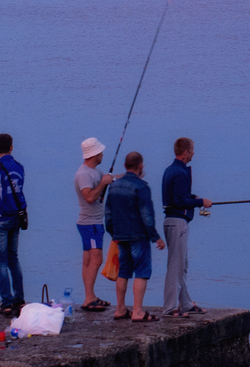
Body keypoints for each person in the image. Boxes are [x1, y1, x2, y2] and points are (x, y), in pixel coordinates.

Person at [104, 150, 165, 322]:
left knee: (123, 271)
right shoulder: (142, 187)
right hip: (138, 235)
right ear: (141, 166)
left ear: (124, 166)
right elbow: (147, 215)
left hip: (120, 235)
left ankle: (120, 309)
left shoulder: (113, 186)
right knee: (142, 271)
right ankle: (138, 311)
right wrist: (155, 237)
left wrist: (113, 232)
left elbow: (108, 214)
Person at [160, 137, 212, 317]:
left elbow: (178, 197)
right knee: (176, 265)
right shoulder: (180, 173)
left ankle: (186, 303)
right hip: (178, 222)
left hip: (171, 221)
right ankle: (169, 307)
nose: (194, 153)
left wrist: (193, 198)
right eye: (192, 150)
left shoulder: (170, 170)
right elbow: (180, 201)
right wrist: (200, 202)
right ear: (185, 152)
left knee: (182, 264)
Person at [0, 132, 27, 317]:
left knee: (1, 261)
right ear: (11, 147)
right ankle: (20, 300)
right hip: (16, 217)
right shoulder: (19, 167)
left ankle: (6, 303)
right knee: (13, 258)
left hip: (0, 220)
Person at [74, 137, 116, 311]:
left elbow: (106, 180)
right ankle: (89, 298)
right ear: (94, 154)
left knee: (88, 260)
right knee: (97, 259)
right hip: (90, 223)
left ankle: (89, 295)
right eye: (100, 152)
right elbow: (90, 197)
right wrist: (103, 184)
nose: (103, 154)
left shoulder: (95, 172)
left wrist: (130, 176)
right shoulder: (84, 174)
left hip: (93, 223)